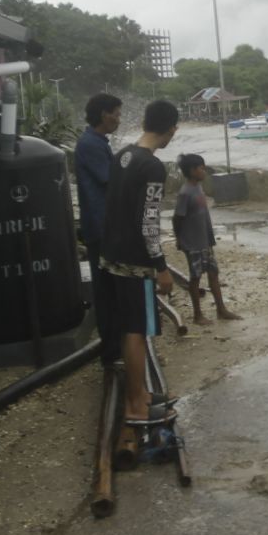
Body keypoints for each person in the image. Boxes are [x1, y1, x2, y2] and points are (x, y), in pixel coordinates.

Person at [100, 99, 179, 425]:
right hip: (135, 264)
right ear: (171, 129)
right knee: (136, 331)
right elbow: (148, 223)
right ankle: (136, 406)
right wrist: (161, 267)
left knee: (127, 329)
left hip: (112, 258)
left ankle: (142, 394)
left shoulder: (123, 156)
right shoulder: (152, 167)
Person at [74, 93, 122, 362]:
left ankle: (115, 346)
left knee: (111, 289)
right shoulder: (91, 144)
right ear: (104, 114)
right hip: (101, 228)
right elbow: (109, 181)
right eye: (116, 113)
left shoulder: (95, 142)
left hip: (103, 226)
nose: (118, 118)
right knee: (107, 291)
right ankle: (113, 351)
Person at [172, 153, 241, 324]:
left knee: (213, 273)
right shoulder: (185, 193)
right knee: (195, 277)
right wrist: (179, 239)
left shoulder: (198, 188)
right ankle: (197, 315)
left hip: (204, 240)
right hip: (193, 242)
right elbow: (177, 218)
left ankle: (221, 309)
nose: (204, 171)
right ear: (192, 170)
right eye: (201, 168)